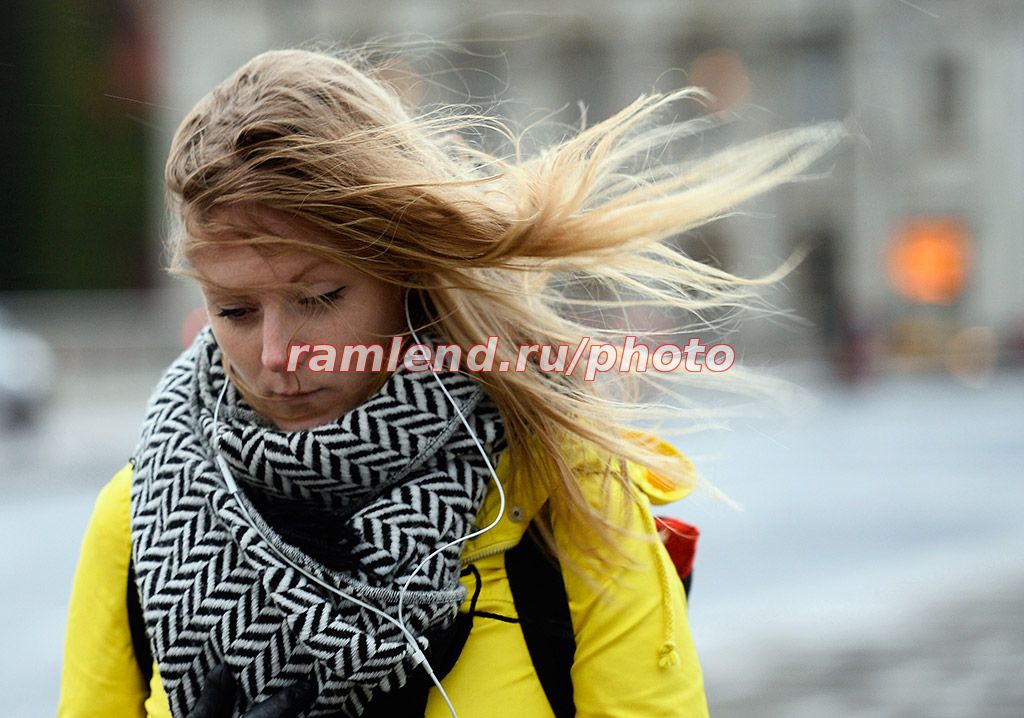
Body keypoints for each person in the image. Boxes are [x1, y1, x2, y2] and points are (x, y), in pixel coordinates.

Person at [58, 47, 842, 717]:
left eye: (319, 298)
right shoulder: (134, 518)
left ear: (406, 276)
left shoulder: (565, 493)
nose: (279, 353)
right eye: (234, 309)